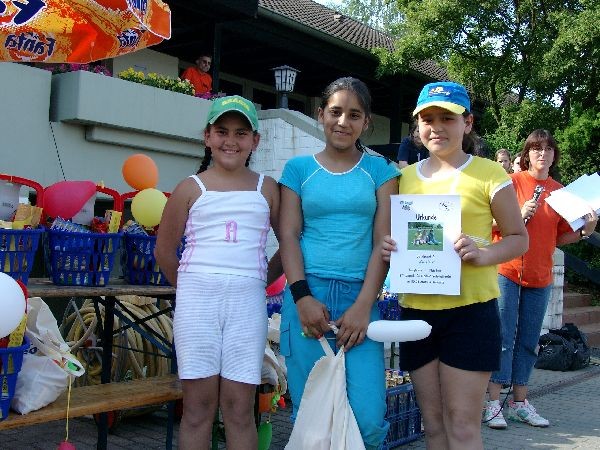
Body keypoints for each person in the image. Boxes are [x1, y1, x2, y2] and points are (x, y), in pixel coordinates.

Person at [382, 81, 528, 449]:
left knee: (462, 428)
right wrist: (389, 247)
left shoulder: (489, 173)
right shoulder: (402, 179)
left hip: (470, 314)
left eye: (447, 118)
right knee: (433, 427)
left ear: (468, 122)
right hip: (416, 314)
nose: (436, 127)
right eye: (427, 119)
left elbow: (518, 237)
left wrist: (483, 254)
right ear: (417, 126)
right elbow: (396, 236)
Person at [278, 77, 399, 449]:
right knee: (311, 421)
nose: (343, 121)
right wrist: (302, 298)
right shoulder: (298, 169)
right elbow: (288, 236)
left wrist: (364, 305)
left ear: (366, 122)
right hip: (307, 296)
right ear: (321, 115)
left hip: (360, 299)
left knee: (369, 421)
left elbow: (383, 243)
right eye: (335, 112)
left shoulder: (381, 171)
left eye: (354, 114)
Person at [154, 95, 280, 450]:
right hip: (197, 308)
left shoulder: (268, 188)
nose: (231, 141)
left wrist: (258, 281)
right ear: (207, 136)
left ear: (255, 141)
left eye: (241, 133)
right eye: (222, 131)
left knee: (240, 409)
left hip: (247, 309)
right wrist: (191, 288)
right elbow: (164, 251)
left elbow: (289, 245)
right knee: (197, 409)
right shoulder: (190, 188)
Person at [484, 129, 598, 430]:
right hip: (507, 270)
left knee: (529, 341)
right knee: (503, 338)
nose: (542, 154)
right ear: (526, 154)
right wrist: (518, 214)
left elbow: (561, 236)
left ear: (554, 155)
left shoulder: (561, 193)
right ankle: (493, 403)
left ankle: (519, 403)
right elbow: (486, 223)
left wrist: (586, 230)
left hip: (540, 275)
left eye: (548, 149)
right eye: (536, 148)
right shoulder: (511, 183)